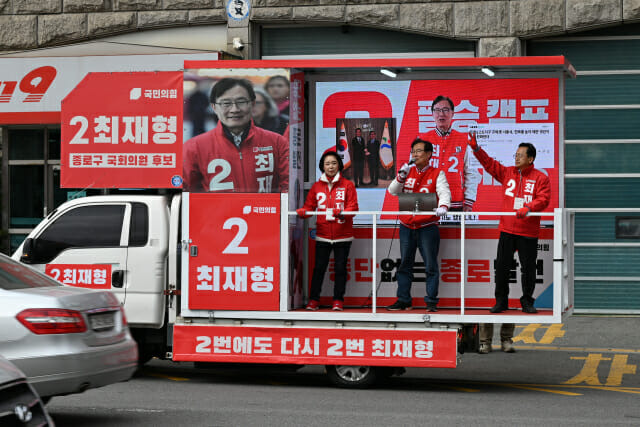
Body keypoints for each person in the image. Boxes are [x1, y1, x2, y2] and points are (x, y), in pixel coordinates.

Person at [467, 134, 551, 315]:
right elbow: (489, 164)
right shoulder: (508, 173)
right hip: (507, 229)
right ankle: (501, 301)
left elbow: (544, 199)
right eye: (516, 154)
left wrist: (529, 206)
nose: (517, 157)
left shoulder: (540, 178)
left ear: (531, 158)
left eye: (521, 155)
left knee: (528, 269)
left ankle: (527, 302)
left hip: (528, 231)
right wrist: (476, 149)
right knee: (502, 267)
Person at [183, 77, 289, 193]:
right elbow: (186, 191)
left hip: (264, 211)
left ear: (252, 104)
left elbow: (287, 186)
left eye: (241, 102)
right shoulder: (194, 147)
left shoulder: (277, 142)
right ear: (214, 107)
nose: (234, 109)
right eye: (226, 103)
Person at [386, 138, 451, 312]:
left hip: (427, 226)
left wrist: (444, 205)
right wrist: (401, 175)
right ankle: (403, 299)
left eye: (419, 151)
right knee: (405, 264)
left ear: (429, 154)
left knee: (430, 265)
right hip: (406, 226)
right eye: (413, 151)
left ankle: (431, 301)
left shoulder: (437, 173)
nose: (415, 154)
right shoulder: (407, 171)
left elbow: (444, 192)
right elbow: (392, 191)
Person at [296, 152, 359, 311]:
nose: (330, 167)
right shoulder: (317, 187)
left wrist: (342, 212)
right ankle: (314, 300)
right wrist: (303, 212)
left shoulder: (347, 185)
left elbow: (354, 207)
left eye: (333, 163)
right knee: (319, 268)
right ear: (322, 167)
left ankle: (338, 300)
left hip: (343, 235)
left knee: (340, 269)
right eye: (327, 164)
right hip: (323, 235)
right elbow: (309, 207)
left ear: (339, 165)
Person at [425, 95, 481, 211]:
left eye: (445, 110)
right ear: (432, 114)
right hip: (429, 201)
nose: (441, 114)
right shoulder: (422, 140)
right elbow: (415, 171)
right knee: (429, 230)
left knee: (454, 230)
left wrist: (469, 200)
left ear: (452, 113)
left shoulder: (464, 140)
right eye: (437, 110)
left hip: (455, 202)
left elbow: (471, 172)